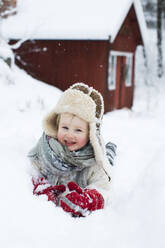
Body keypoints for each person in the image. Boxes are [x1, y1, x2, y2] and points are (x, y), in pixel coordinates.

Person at [28, 82, 116, 217]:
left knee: (107, 159)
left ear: (90, 134)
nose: (70, 135)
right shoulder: (46, 150)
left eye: (78, 130)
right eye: (65, 128)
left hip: (97, 160)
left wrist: (90, 198)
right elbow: (34, 169)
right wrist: (43, 188)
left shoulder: (94, 162)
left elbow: (103, 186)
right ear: (56, 126)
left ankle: (111, 148)